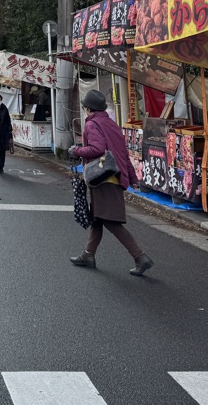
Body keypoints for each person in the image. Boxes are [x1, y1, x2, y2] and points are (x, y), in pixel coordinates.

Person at [68, 89, 154, 276]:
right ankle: (88, 255)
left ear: (87, 108)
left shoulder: (92, 125)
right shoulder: (111, 124)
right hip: (114, 177)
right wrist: (131, 178)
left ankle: (140, 257)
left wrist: (76, 151)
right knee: (98, 218)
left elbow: (97, 149)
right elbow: (122, 152)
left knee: (110, 221)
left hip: (102, 179)